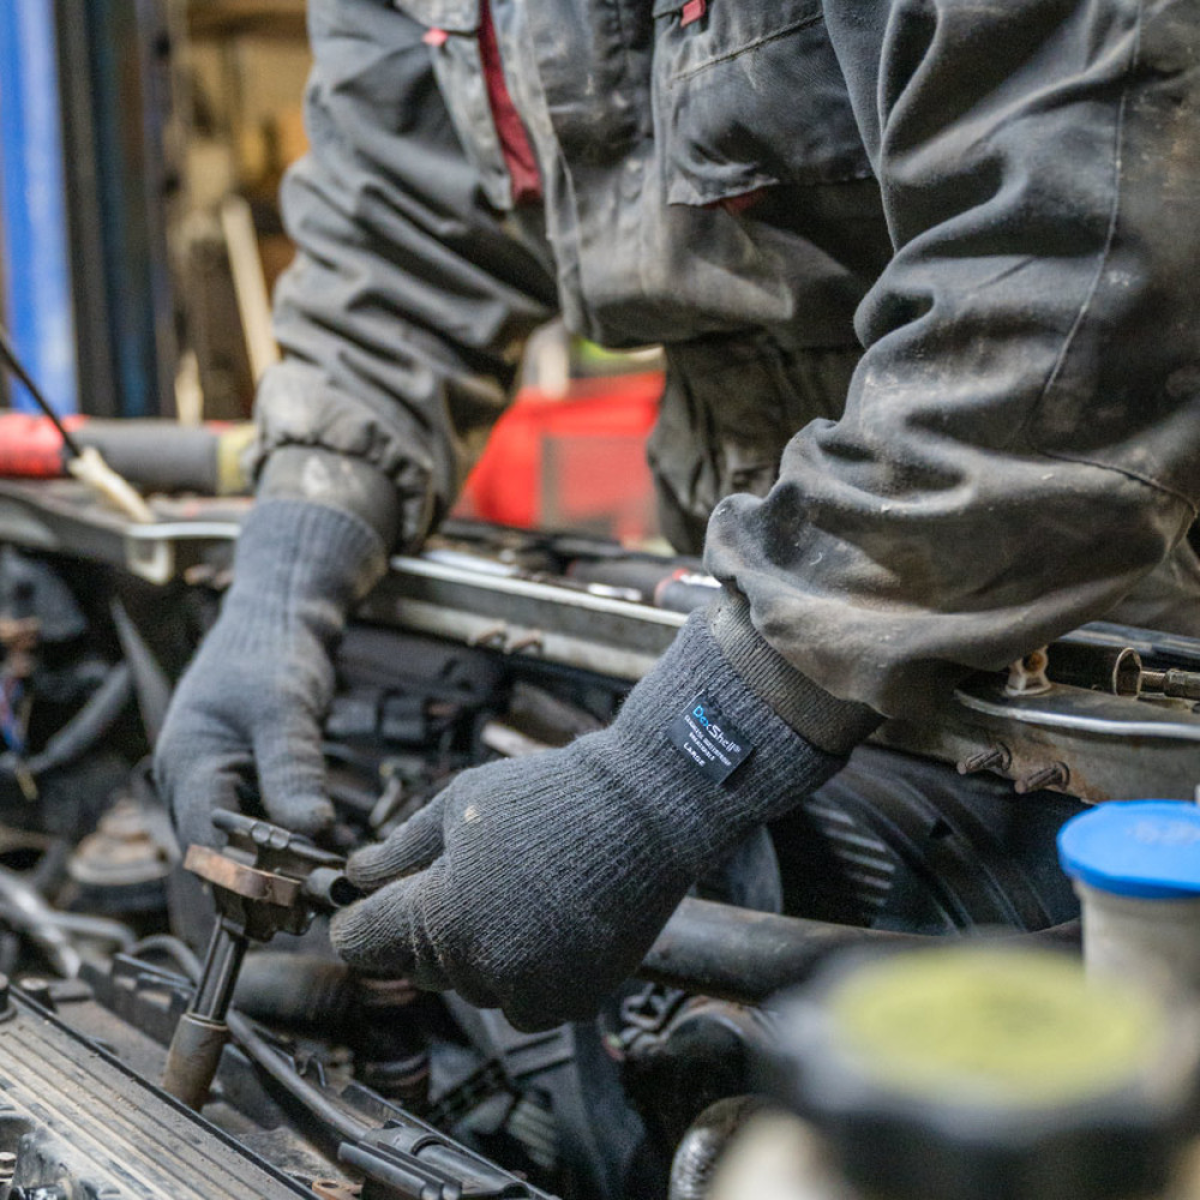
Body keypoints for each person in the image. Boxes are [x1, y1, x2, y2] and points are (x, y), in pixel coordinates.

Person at [156, 0, 1200, 1032]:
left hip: (1113, 628)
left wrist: (664, 776)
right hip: (742, 620)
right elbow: (399, 251)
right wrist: (282, 581)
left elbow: (1079, 294)